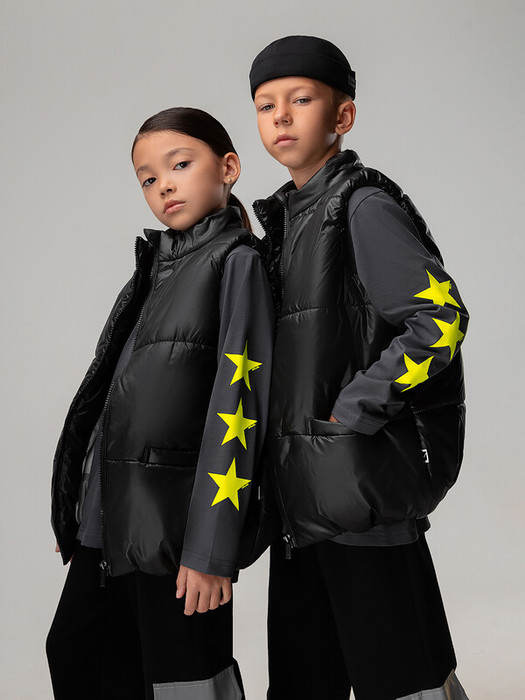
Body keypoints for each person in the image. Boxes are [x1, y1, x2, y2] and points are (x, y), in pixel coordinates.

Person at [249, 35, 470, 700]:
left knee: (401, 677)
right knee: (304, 680)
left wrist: (356, 407)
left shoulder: (360, 207)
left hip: (357, 491)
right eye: (265, 104)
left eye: (300, 99)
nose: (281, 116)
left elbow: (439, 319)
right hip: (302, 501)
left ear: (341, 115)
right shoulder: (285, 224)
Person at [46, 107, 274, 700]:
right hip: (112, 522)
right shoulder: (155, 267)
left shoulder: (236, 262)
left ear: (228, 168)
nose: (164, 186)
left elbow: (239, 408)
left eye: (180, 165)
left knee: (185, 678)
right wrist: (79, 504)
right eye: (148, 179)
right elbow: (107, 399)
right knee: (80, 651)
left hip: (177, 529)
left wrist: (211, 548)